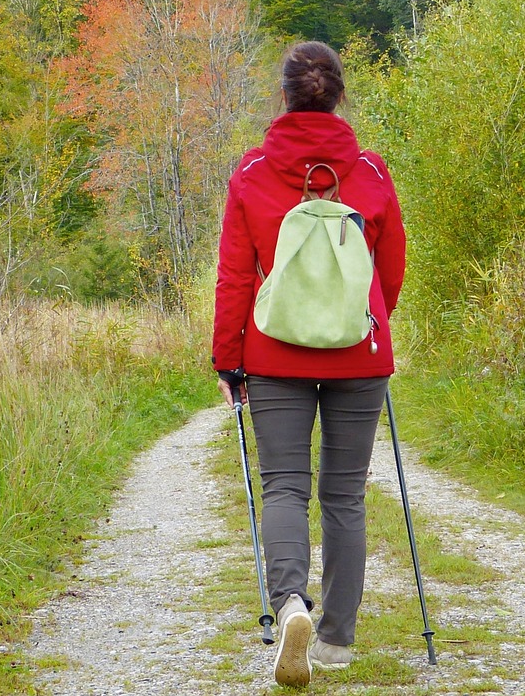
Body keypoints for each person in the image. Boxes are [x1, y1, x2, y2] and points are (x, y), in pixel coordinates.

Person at [212, 41, 406, 687]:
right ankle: (337, 639)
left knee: (286, 486)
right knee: (345, 494)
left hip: (274, 351)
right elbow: (391, 270)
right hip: (360, 351)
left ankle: (290, 601)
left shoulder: (253, 172)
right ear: (340, 97)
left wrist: (228, 358)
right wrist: (370, 325)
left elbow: (236, 276)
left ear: (285, 96)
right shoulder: (372, 174)